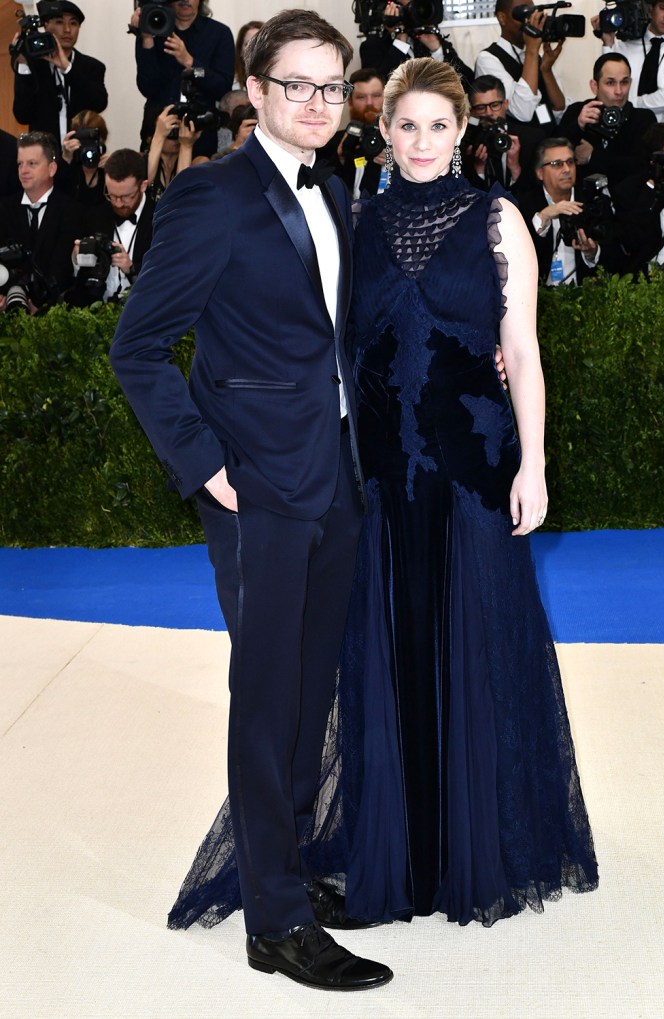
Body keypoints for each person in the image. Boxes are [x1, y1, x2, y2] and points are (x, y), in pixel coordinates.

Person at [109, 8, 392, 992]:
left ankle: (291, 866)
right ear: (257, 90)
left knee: (311, 691)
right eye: (296, 84)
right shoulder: (208, 196)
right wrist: (204, 467)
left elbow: (323, 338)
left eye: (331, 85)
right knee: (268, 698)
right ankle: (272, 920)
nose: (316, 102)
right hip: (256, 487)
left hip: (335, 480)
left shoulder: (341, 188)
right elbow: (137, 347)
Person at [338, 56, 599, 925]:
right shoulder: (355, 220)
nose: (420, 142)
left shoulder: (499, 218)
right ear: (383, 129)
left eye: (437, 126)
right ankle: (400, 845)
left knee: (478, 645)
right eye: (405, 125)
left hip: (473, 467)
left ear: (463, 133)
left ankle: (477, 844)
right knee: (394, 645)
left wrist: (536, 461)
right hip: (382, 476)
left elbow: (520, 349)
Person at [130, 0, 234, 158]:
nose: (185, 0)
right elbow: (147, 87)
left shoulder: (219, 33)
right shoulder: (153, 27)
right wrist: (147, 39)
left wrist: (189, 61)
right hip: (159, 131)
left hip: (200, 135)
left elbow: (222, 88)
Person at [516, 137, 623, 285]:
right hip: (539, 298)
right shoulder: (524, 204)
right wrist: (543, 217)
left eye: (570, 162)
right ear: (540, 173)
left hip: (582, 295)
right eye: (557, 164)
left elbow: (615, 257)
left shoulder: (593, 201)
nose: (566, 169)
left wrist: (592, 253)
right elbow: (518, 256)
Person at [0, 131, 81, 313]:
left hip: (55, 313)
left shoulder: (70, 210)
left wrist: (41, 304)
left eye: (32, 164)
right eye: (20, 164)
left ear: (52, 168)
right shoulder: (4, 209)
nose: (23, 171)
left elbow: (63, 267)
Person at [12, 1, 107, 147]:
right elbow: (22, 115)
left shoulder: (92, 67)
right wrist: (24, 64)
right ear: (46, 26)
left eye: (73, 23)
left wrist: (68, 68)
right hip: (44, 156)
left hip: (80, 155)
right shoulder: (34, 66)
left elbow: (99, 103)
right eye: (59, 22)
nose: (67, 29)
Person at [559, 54, 657, 189]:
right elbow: (553, 158)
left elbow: (641, 166)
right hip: (581, 198)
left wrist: (592, 157)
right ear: (594, 86)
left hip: (628, 201)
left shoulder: (643, 118)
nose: (619, 91)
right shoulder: (577, 112)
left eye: (624, 82)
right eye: (610, 83)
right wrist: (578, 126)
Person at [70, 149, 154, 305]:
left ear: (143, 186)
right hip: (96, 313)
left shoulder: (159, 220)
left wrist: (131, 268)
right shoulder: (95, 215)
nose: (118, 203)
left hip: (143, 312)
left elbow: (166, 277)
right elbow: (77, 283)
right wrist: (77, 258)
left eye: (126, 197)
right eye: (112, 195)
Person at [474, 0, 569, 126]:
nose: (528, 21)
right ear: (502, 18)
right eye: (523, 13)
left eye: (531, 14)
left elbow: (560, 108)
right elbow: (522, 112)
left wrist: (546, 70)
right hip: (519, 142)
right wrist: (532, 50)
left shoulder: (534, 56)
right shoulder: (487, 59)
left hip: (548, 138)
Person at [594, 0, 664, 123]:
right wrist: (608, 43)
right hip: (622, 127)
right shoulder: (626, 44)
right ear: (651, 8)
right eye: (662, 8)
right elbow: (607, 84)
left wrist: (627, 104)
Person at [613, 123, 664, 274]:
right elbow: (633, 241)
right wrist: (654, 187)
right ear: (653, 159)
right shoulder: (629, 190)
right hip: (655, 269)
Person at [360, 1, 473, 88]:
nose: (409, 14)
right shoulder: (372, 46)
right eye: (402, 8)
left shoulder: (434, 41)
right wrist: (399, 42)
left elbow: (467, 84)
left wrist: (436, 50)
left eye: (414, 7)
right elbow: (376, 89)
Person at [462, 75, 545, 192]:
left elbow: (538, 191)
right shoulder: (467, 144)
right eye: (481, 107)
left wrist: (515, 167)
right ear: (473, 111)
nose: (489, 112)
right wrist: (479, 169)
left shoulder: (532, 138)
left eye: (495, 105)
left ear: (505, 104)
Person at [318, 67, 387, 199]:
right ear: (350, 101)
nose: (369, 103)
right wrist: (340, 158)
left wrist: (401, 162)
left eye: (376, 95)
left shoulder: (403, 141)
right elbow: (319, 191)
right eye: (361, 97)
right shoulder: (330, 140)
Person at [233, 20, 263, 89]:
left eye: (259, 43)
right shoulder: (231, 82)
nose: (254, 48)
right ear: (240, 51)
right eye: (248, 44)